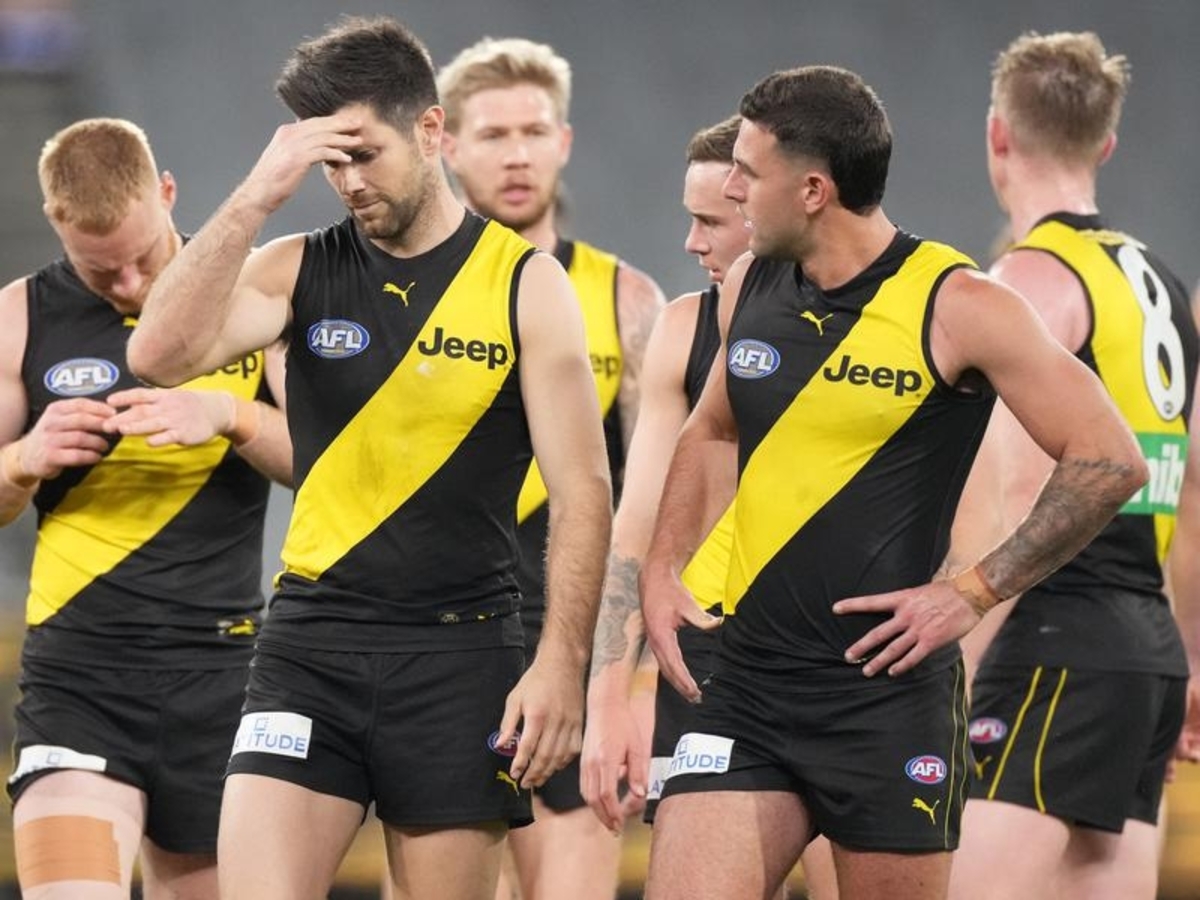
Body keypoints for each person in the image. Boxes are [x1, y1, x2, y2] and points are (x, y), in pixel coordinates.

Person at [125, 16, 612, 900]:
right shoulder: (295, 267)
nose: (348, 181)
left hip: (463, 655)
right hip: (310, 645)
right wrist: (256, 196)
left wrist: (559, 664)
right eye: (330, 163)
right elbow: (156, 355)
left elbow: (584, 490)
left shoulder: (524, 283)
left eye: (365, 155)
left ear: (429, 131)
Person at [639, 65, 1149, 900]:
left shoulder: (960, 304)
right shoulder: (751, 285)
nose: (730, 190)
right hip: (746, 686)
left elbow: (1110, 458)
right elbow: (712, 429)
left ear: (813, 191)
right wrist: (663, 566)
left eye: (747, 173)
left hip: (884, 700)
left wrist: (973, 592)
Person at [0, 117, 291, 899]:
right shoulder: (18, 317)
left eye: (144, 258)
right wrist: (23, 460)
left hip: (224, 675)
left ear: (167, 193)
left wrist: (231, 416)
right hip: (80, 678)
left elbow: (324, 466)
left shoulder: (252, 297)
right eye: (100, 271)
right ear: (56, 224)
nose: (129, 285)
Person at [946, 31, 1200, 900]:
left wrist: (954, 665)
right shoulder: (1161, 284)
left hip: (1053, 637)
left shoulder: (1030, 280)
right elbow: (1187, 490)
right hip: (1145, 648)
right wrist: (1186, 655)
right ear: (1106, 143)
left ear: (997, 134)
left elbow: (1017, 495)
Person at [578, 114, 838, 900]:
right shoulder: (683, 327)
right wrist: (609, 698)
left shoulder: (870, 326)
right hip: (714, 669)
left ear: (769, 211)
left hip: (846, 668)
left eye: (711, 222)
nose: (692, 244)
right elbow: (639, 521)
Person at [436, 36, 664, 900]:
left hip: (571, 655)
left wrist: (633, 680)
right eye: (493, 134)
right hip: (440, 652)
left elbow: (661, 505)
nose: (517, 154)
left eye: (534, 132)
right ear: (446, 145)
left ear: (563, 142)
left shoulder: (624, 299)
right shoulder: (407, 296)